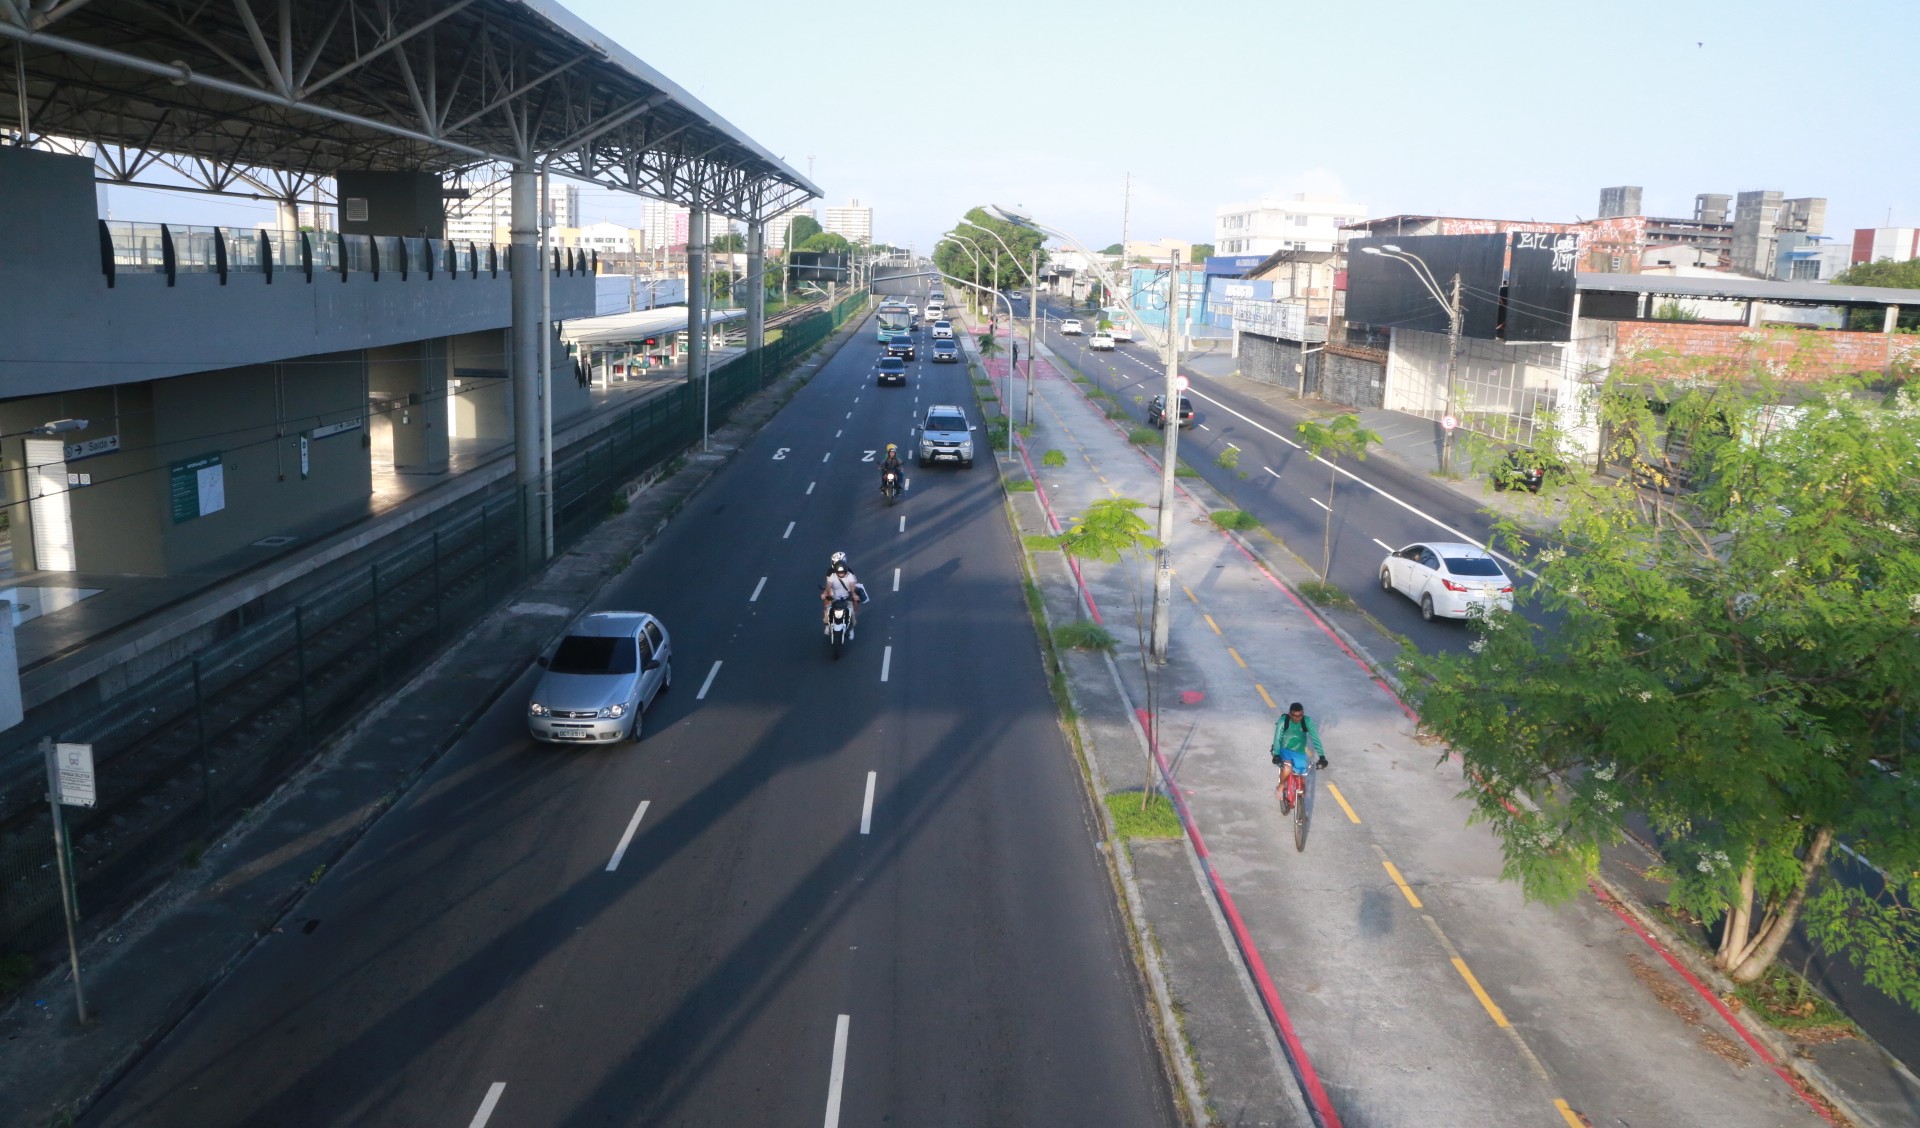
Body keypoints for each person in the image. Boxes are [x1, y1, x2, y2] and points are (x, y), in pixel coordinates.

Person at [1270, 702, 1327, 809]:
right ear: (1289, 714)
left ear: (1303, 714)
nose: (1297, 718)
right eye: (1294, 716)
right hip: (1283, 750)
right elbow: (1277, 739)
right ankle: (1281, 786)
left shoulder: (1307, 721)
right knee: (1287, 767)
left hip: (1299, 752)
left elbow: (1315, 739)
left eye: (1300, 715)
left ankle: (1300, 806)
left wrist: (1322, 757)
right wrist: (1276, 755)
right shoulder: (1283, 721)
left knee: (1302, 778)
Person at [821, 551, 863, 631]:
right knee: (827, 604)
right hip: (834, 592)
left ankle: (851, 621)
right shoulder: (830, 571)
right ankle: (827, 621)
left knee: (854, 602)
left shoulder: (849, 572)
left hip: (847, 592)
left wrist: (853, 593)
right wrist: (826, 593)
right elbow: (828, 583)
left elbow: (853, 583)